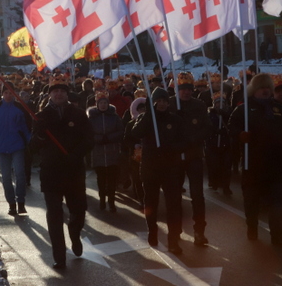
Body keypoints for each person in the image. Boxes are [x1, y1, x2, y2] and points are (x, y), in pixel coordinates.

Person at [229, 74, 282, 245]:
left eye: (268, 88)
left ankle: (277, 235)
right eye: (262, 88)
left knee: (276, 201)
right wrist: (240, 135)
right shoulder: (243, 110)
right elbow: (231, 128)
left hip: (276, 163)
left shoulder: (279, 110)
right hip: (252, 163)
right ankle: (252, 226)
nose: (266, 91)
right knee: (252, 200)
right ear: (254, 90)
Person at [31, 76, 94, 269]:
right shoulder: (41, 116)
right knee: (54, 215)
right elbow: (32, 146)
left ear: (67, 94)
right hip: (51, 172)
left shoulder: (78, 114)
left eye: (62, 91)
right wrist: (40, 133)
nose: (58, 94)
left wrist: (77, 154)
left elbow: (89, 139)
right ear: (50, 94)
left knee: (78, 211)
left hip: (73, 170)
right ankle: (59, 255)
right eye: (55, 91)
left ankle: (75, 234)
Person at [131, 88, 185, 253]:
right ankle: (152, 230)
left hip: (170, 167)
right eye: (158, 101)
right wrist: (148, 115)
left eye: (164, 101)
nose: (161, 104)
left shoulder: (175, 119)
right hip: (150, 167)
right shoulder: (146, 119)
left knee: (174, 204)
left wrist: (171, 148)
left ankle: (173, 239)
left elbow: (184, 141)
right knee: (151, 202)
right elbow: (135, 133)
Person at [171, 72, 211, 247]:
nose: (186, 92)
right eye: (183, 89)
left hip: (194, 154)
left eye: (189, 89)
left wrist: (194, 138)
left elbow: (207, 128)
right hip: (174, 157)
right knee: (174, 196)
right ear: (177, 90)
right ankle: (176, 230)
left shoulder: (199, 105)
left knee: (197, 194)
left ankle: (199, 230)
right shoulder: (170, 104)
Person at [0, 82, 32, 216]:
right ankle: (11, 204)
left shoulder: (20, 108)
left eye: (11, 93)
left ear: (14, 93)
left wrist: (31, 142)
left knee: (20, 174)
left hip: (17, 145)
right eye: (6, 93)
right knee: (6, 177)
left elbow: (26, 128)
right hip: (1, 146)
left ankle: (21, 202)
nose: (8, 95)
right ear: (2, 93)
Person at [87, 90, 124, 212]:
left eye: (105, 102)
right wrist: (97, 138)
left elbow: (120, 131)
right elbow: (88, 133)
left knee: (112, 178)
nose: (103, 105)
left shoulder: (114, 117)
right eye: (101, 103)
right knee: (101, 178)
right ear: (97, 104)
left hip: (112, 150)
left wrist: (109, 138)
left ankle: (112, 200)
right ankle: (102, 198)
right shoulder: (92, 118)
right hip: (98, 152)